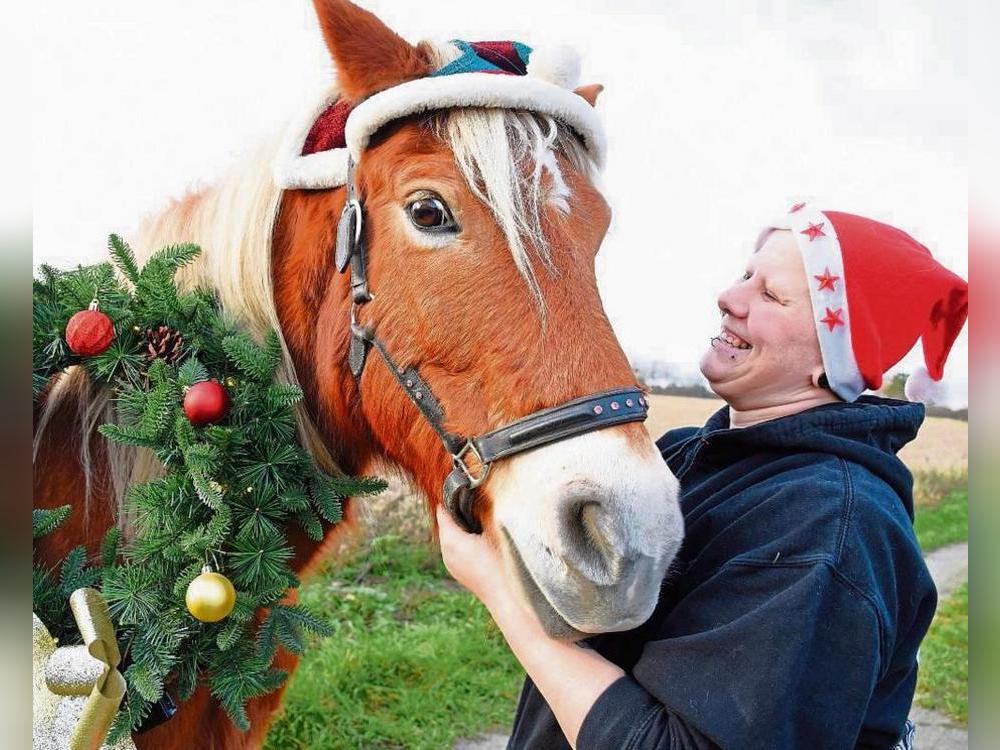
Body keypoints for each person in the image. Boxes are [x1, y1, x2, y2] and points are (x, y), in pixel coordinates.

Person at [435, 203, 969, 749]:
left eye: (771, 295)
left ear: (834, 360)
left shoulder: (827, 525)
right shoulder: (687, 454)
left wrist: (501, 592)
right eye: (746, 275)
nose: (729, 297)